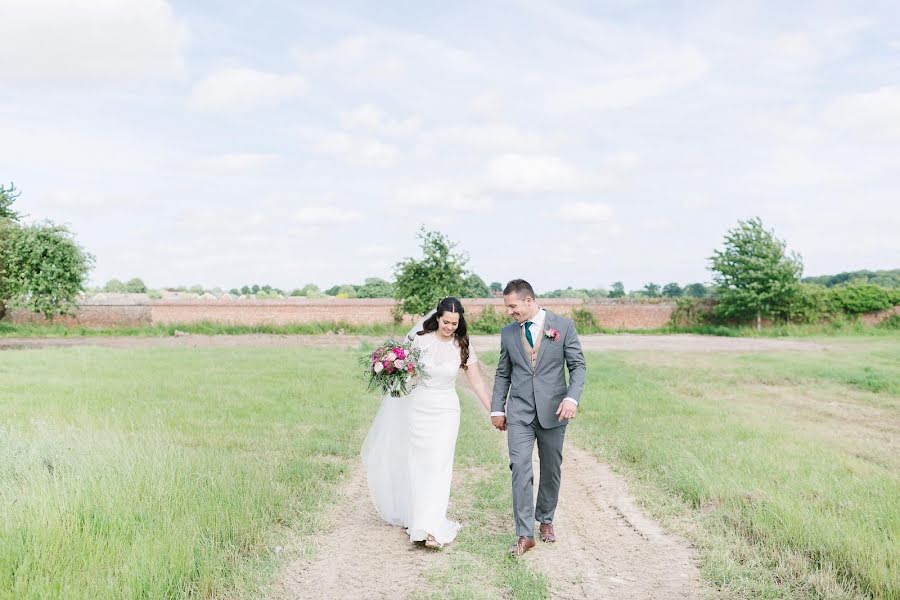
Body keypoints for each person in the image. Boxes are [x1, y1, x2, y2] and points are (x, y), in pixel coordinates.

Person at [361, 297, 492, 548]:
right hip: (418, 409)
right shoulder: (419, 340)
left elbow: (476, 381)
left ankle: (432, 528)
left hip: (446, 411)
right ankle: (418, 518)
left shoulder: (462, 345)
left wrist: (493, 410)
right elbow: (405, 374)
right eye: (446, 322)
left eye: (455, 323)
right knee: (418, 464)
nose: (450, 327)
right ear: (437, 318)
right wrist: (390, 370)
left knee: (439, 465)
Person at [490, 279, 586, 556]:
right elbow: (503, 372)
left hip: (554, 410)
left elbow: (578, 366)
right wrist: (498, 408)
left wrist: (571, 397)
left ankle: (545, 519)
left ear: (528, 301)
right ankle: (524, 534)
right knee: (520, 467)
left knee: (551, 468)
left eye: (513, 306)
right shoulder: (508, 333)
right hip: (519, 411)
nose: (510, 312)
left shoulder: (563, 326)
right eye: (507, 307)